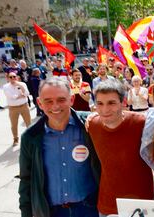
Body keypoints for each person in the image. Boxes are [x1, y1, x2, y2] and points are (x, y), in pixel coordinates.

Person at [19, 77, 100, 217]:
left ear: (72, 99)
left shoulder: (90, 125)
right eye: (48, 101)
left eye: (61, 100)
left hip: (89, 209)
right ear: (39, 103)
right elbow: (26, 180)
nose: (55, 106)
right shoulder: (31, 137)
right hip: (52, 212)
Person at [88, 80, 154, 216]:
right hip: (107, 205)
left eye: (111, 103)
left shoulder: (142, 123)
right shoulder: (92, 125)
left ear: (123, 102)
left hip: (141, 205)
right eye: (100, 103)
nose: (105, 109)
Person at [3, 72, 31, 146]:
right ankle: (15, 139)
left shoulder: (22, 84)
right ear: (8, 78)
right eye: (11, 77)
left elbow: (27, 94)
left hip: (24, 106)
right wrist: (21, 95)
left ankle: (31, 138)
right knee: (14, 124)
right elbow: (12, 97)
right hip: (13, 108)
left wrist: (19, 86)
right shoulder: (6, 87)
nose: (13, 78)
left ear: (17, 77)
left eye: (14, 76)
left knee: (28, 123)